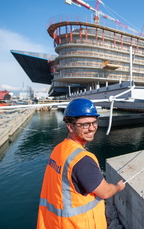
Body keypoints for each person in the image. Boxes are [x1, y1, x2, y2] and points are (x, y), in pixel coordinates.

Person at [37, 98, 125, 229]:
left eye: (94, 122)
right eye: (84, 124)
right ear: (70, 126)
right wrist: (118, 187)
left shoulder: (58, 149)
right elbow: (105, 192)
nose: (91, 128)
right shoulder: (82, 160)